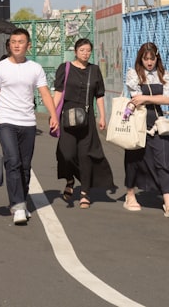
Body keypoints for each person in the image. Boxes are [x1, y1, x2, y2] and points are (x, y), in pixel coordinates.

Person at [0, 28, 59, 226]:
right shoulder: (0, 68)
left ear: (28, 45)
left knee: (25, 167)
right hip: (6, 121)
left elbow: (44, 93)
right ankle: (18, 205)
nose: (17, 44)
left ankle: (21, 201)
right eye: (13, 42)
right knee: (12, 161)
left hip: (28, 122)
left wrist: (54, 116)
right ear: (9, 45)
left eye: (21, 41)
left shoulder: (35, 68)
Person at [52, 38, 115, 209]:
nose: (86, 54)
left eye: (88, 51)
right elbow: (58, 93)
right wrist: (53, 114)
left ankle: (85, 193)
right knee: (67, 153)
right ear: (75, 51)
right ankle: (70, 179)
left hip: (87, 119)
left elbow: (99, 95)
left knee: (85, 156)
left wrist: (103, 116)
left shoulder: (94, 70)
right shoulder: (65, 68)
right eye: (82, 50)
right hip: (67, 118)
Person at [123, 42, 169, 218]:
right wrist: (155, 98)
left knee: (164, 159)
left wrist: (146, 98)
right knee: (134, 159)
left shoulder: (164, 75)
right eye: (145, 58)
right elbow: (135, 98)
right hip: (138, 122)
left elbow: (167, 100)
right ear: (141, 59)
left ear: (157, 59)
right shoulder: (133, 74)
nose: (149, 62)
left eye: (152, 59)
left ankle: (168, 204)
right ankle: (130, 194)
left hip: (157, 123)